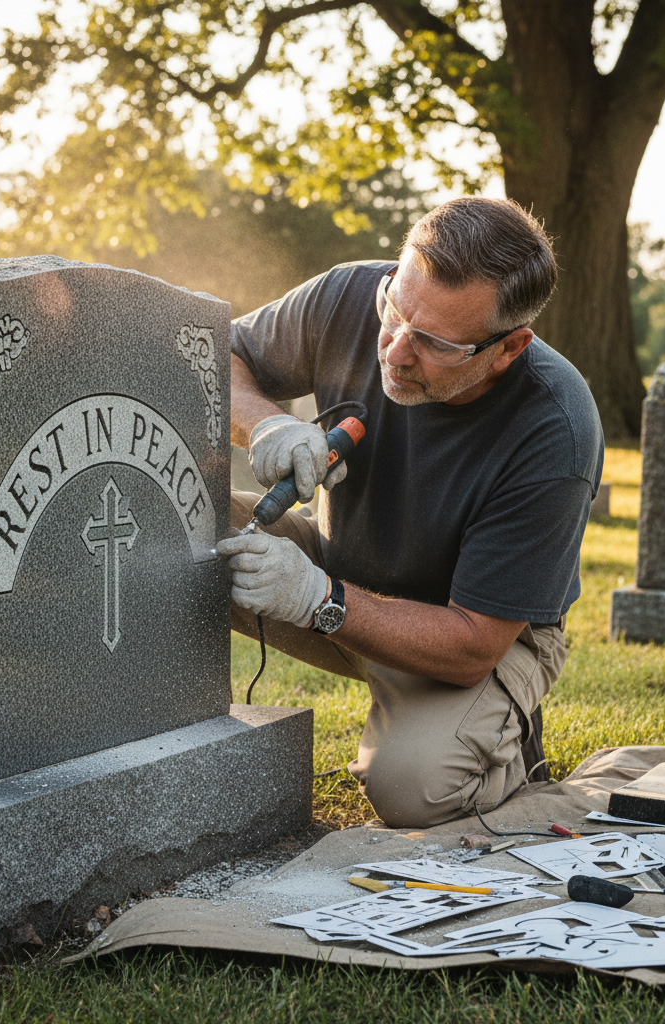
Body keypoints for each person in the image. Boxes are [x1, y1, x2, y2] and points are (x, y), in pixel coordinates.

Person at [216, 196, 604, 828]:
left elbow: (474, 643)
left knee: (414, 788)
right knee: (171, 525)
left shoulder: (555, 426)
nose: (394, 352)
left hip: (475, 635)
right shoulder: (348, 293)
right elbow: (214, 357)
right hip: (337, 566)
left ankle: (503, 743)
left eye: (434, 343)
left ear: (507, 349)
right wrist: (266, 425)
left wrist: (316, 598)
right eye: (393, 312)